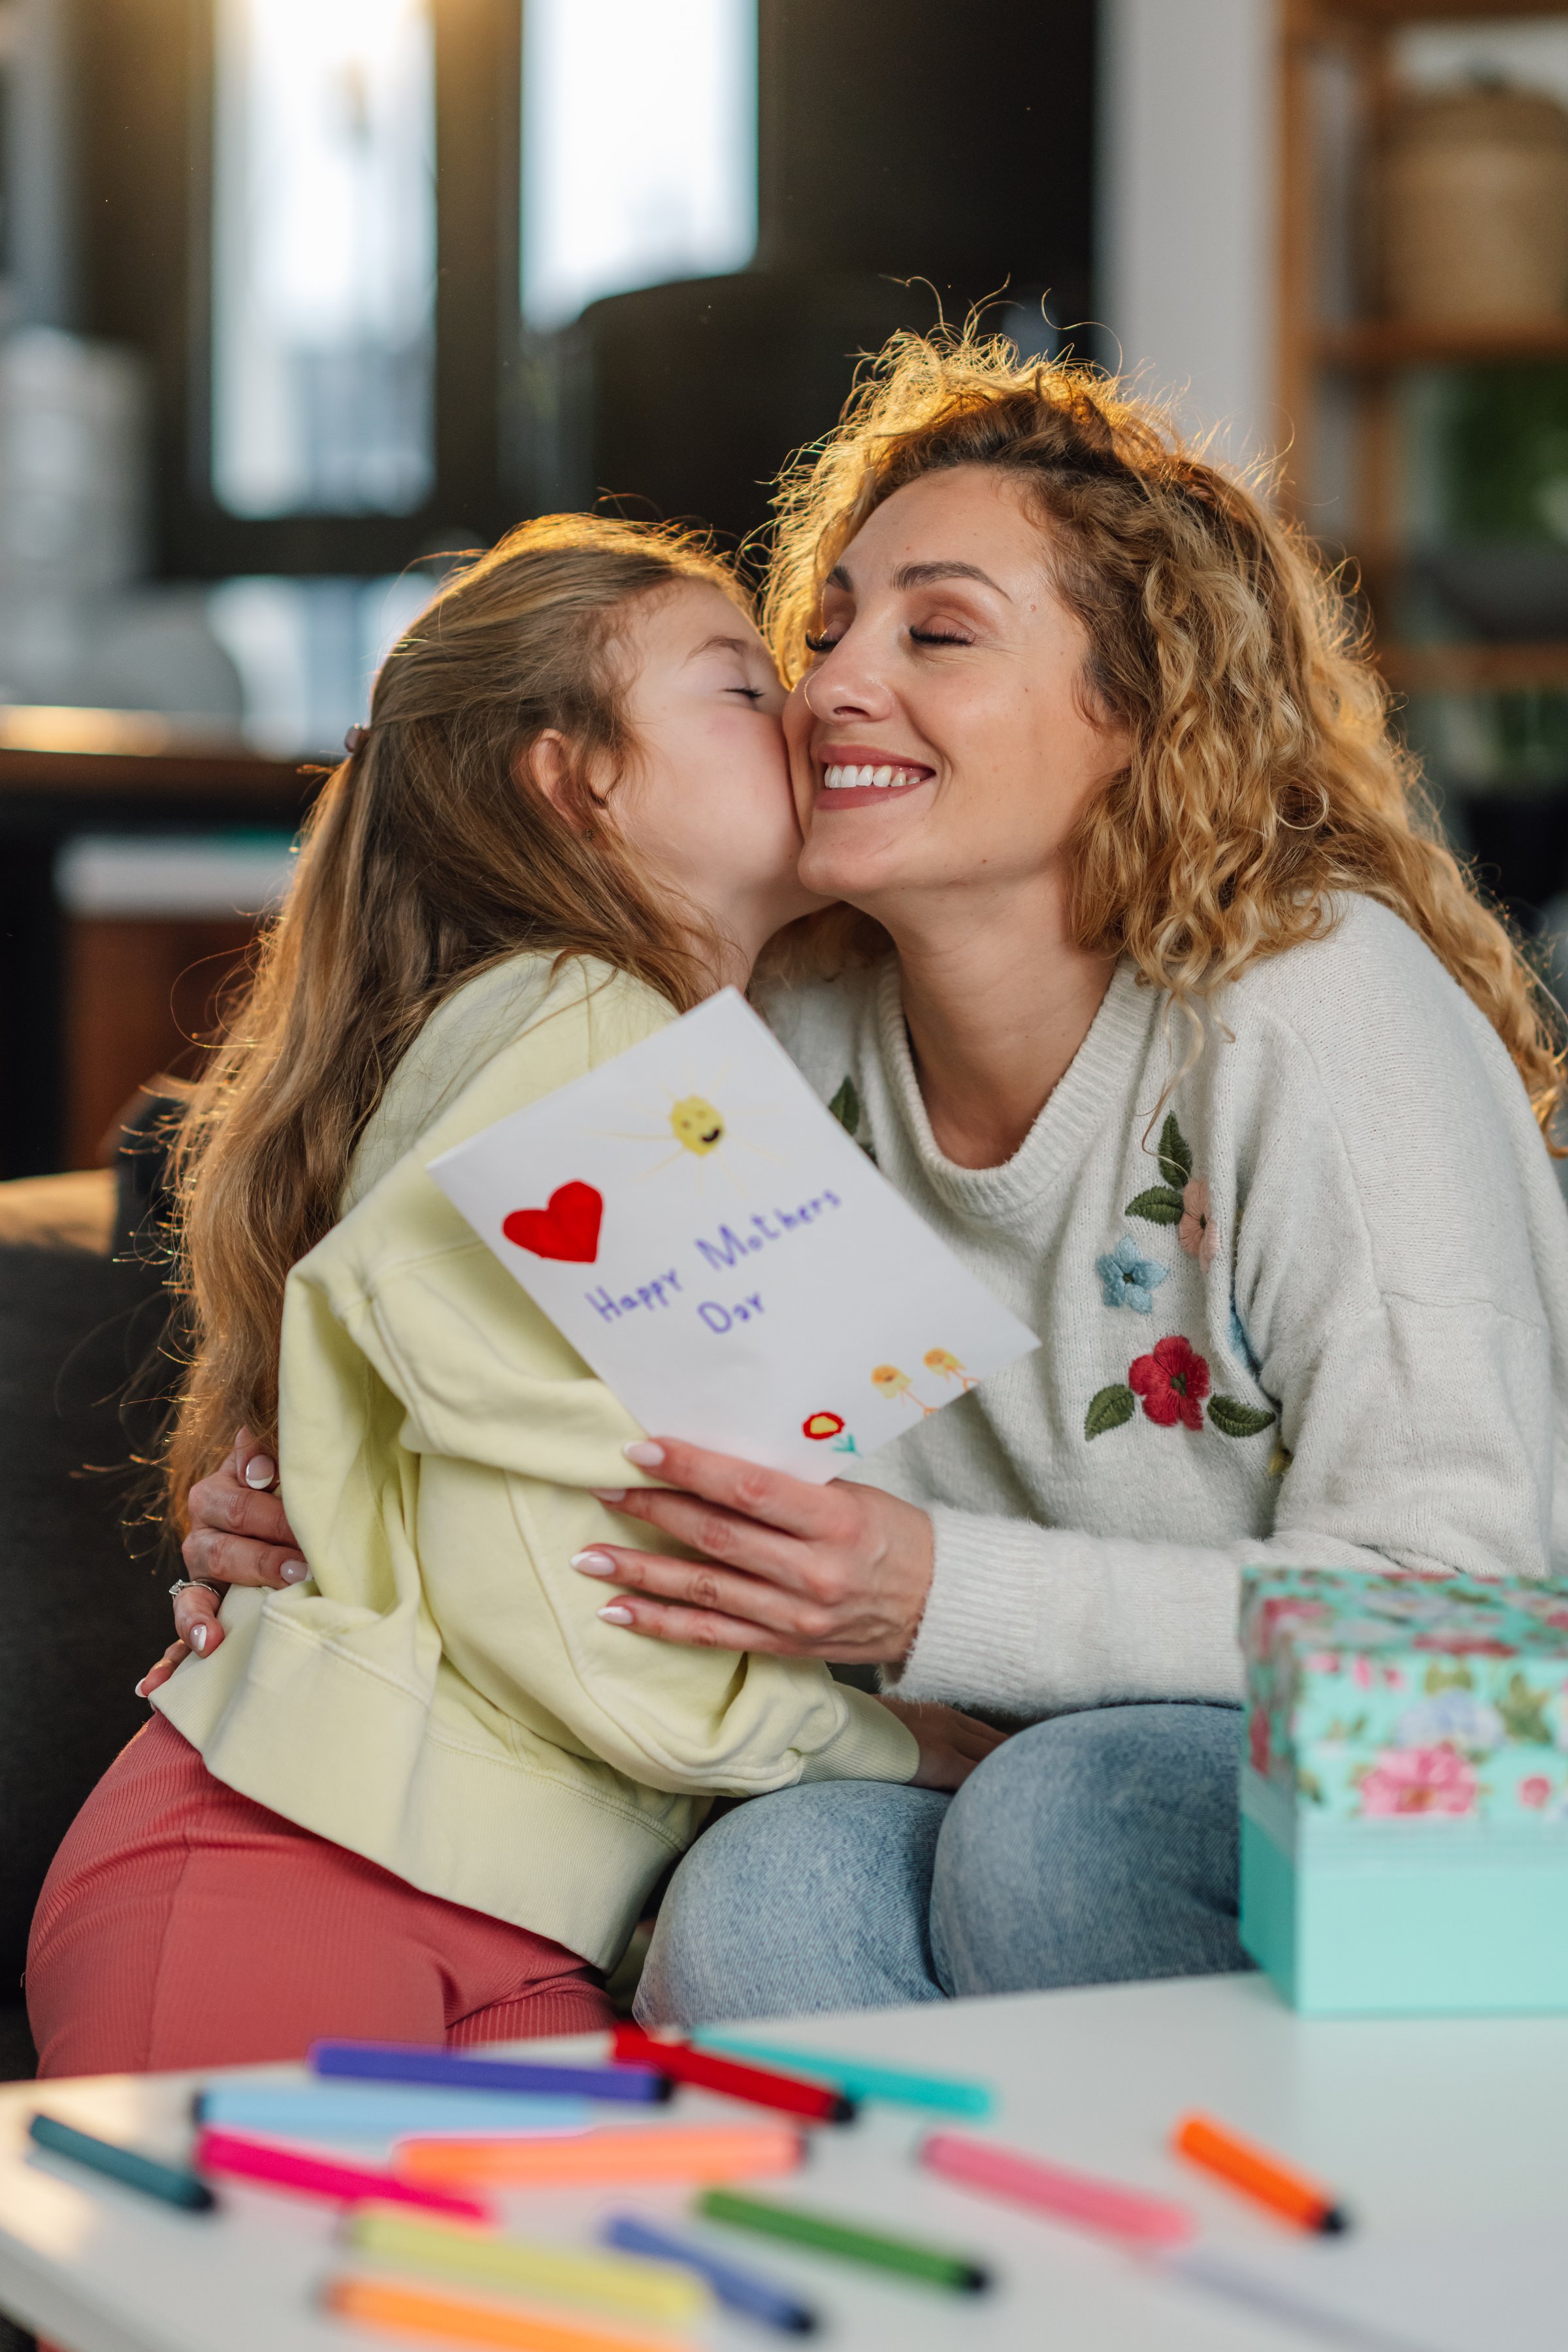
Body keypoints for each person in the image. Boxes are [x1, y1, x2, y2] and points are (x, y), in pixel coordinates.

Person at [155, 332, 1568, 2027]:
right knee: (765, 1884)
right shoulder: (770, 1035)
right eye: (821, 632)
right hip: (966, 1763)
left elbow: (1468, 1618)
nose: (830, 686)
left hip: (1428, 1808)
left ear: (1140, 714)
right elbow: (563, 1468)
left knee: (1059, 1821)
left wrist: (937, 1592)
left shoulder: (1316, 1008)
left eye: (938, 634)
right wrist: (323, 1499)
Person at [27, 514, 998, 2079]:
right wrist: (869, 1742)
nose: (810, 710)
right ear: (574, 780)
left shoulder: (688, 1053)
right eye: (743, 686)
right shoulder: (582, 1021)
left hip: (520, 1904)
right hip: (302, 1866)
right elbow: (542, 1558)